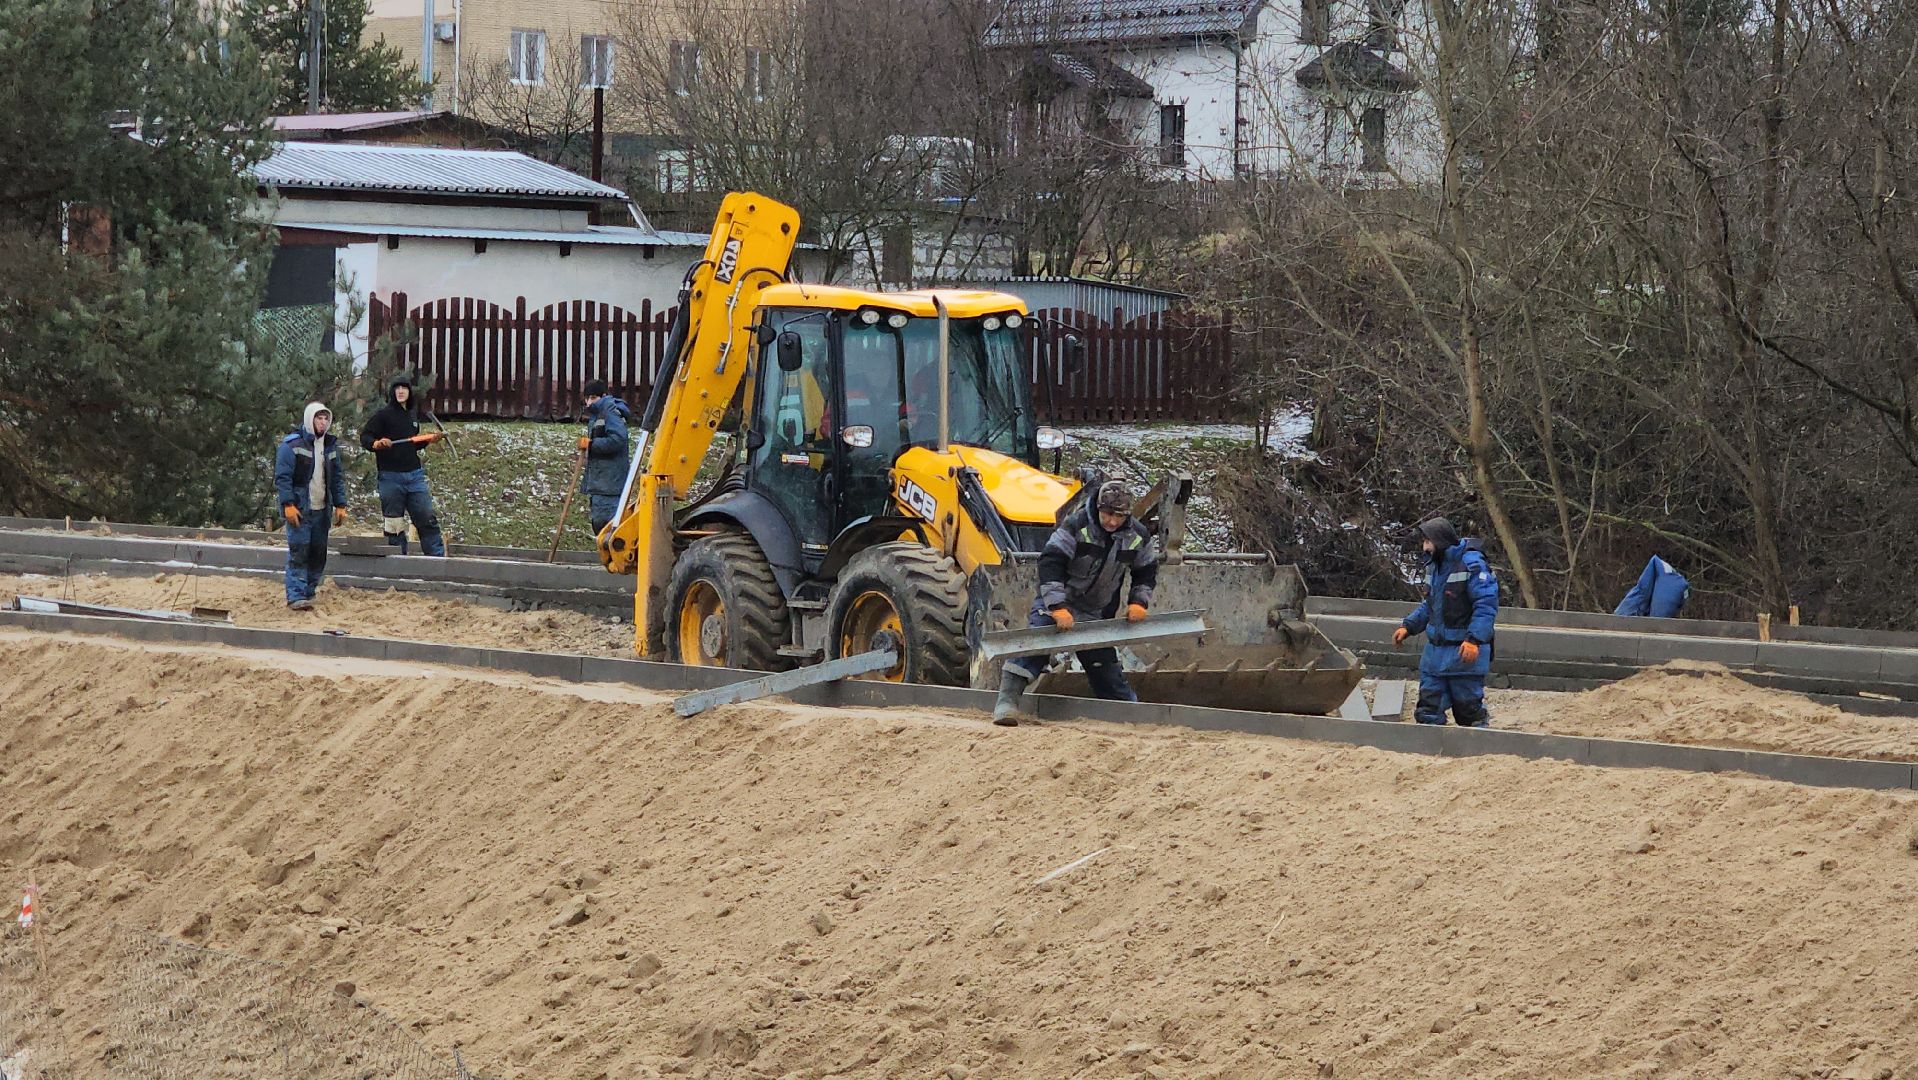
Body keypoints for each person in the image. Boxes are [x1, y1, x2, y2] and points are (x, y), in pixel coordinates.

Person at [992, 480, 1158, 726]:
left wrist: (1139, 602)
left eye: (1118, 516)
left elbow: (1146, 570)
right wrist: (1057, 606)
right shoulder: (1076, 526)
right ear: (1099, 508)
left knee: (1105, 669)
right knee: (1034, 648)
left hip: (1097, 611)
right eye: (1108, 514)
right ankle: (1006, 705)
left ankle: (1130, 716)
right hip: (1059, 603)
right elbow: (1051, 563)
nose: (1112, 521)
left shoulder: (1137, 536)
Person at [1393, 517, 1499, 726]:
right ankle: (1428, 754)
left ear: (1439, 540)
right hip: (1435, 656)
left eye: (1427, 542)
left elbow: (1486, 606)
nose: (1425, 548)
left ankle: (1475, 752)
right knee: (1427, 710)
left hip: (1463, 654)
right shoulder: (1435, 567)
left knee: (1468, 711)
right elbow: (1430, 604)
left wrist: (1474, 640)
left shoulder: (1472, 565)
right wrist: (1409, 626)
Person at [358, 375, 446, 555]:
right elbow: (365, 437)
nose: (400, 391)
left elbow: (411, 444)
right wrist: (376, 444)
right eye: (397, 388)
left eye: (404, 388)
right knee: (394, 523)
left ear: (409, 392)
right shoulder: (383, 415)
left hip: (415, 476)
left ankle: (436, 559)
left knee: (426, 516)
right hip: (390, 477)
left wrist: (429, 440)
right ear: (392, 392)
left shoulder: (412, 417)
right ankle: (396, 561)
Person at [274, 402, 349, 610]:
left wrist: (340, 504)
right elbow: (283, 477)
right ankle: (296, 595)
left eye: (326, 418)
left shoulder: (329, 446)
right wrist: (288, 504)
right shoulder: (292, 445)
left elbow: (336, 478)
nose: (323, 423)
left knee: (318, 553)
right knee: (299, 552)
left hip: (321, 509)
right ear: (310, 419)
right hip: (300, 509)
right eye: (319, 418)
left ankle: (308, 592)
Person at [579, 379, 633, 536]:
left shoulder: (609, 411)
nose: (589, 402)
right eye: (587, 398)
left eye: (593, 398)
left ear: (603, 396)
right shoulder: (597, 414)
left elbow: (618, 439)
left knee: (607, 525)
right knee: (601, 524)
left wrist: (591, 444)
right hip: (601, 481)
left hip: (609, 483)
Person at [1614, 555, 1689, 618]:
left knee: (1655, 623)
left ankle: (1621, 615)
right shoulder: (1663, 572)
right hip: (1679, 588)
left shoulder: (1656, 568)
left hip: (1669, 587)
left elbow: (1643, 591)